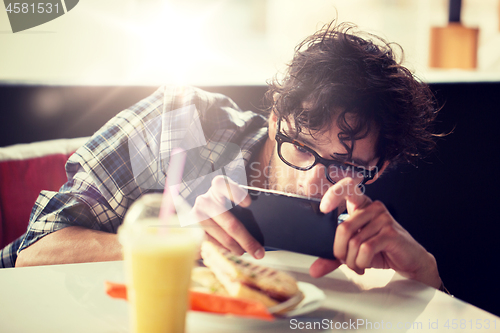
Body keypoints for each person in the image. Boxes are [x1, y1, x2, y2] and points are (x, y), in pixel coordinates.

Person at [1, 21, 444, 291]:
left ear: (378, 168)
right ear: (274, 120)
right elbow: (31, 254)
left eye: (344, 168)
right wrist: (180, 242)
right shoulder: (178, 122)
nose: (314, 183)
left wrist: (426, 278)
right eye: (301, 150)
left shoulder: (363, 226)